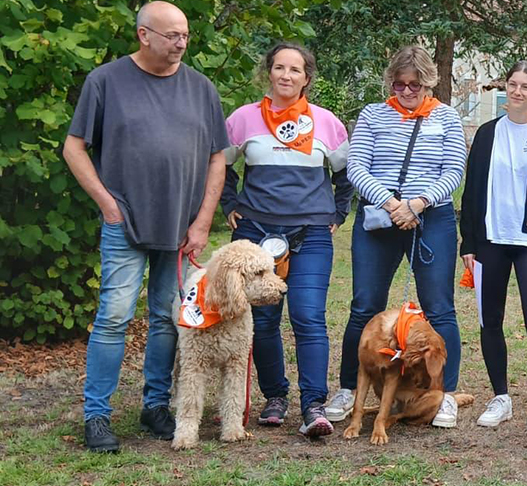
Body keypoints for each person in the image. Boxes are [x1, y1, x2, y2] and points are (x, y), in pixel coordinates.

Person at [63, 1, 230, 452]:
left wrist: (202, 221)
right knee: (115, 316)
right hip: (125, 222)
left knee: (165, 318)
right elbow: (74, 148)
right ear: (143, 35)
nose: (181, 43)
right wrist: (107, 205)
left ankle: (155, 406)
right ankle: (96, 415)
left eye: (186, 36)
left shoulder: (201, 88)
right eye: (172, 35)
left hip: (181, 228)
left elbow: (218, 157)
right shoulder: (106, 81)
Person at [327, 45, 467, 426]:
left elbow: (453, 170)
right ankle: (348, 388)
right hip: (379, 218)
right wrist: (392, 204)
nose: (406, 91)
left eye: (415, 85)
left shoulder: (447, 118)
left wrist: (419, 203)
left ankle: (446, 393)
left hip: (430, 218)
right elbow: (357, 167)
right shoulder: (373, 115)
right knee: (364, 305)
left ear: (428, 83)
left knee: (439, 308)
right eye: (399, 84)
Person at [220, 42, 352, 437]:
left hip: (310, 232)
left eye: (295, 70)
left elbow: (346, 174)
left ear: (306, 77)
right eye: (279, 68)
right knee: (262, 319)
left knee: (308, 316)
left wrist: (338, 212)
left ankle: (314, 404)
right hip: (256, 230)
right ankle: (274, 396)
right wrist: (229, 202)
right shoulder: (242, 119)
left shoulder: (327, 122)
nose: (286, 76)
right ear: (269, 73)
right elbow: (221, 166)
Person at [458, 61, 527, 432]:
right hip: (490, 241)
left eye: (525, 86)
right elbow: (472, 190)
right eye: (512, 84)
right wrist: (468, 242)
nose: (517, 91)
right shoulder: (488, 134)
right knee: (491, 321)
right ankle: (501, 397)